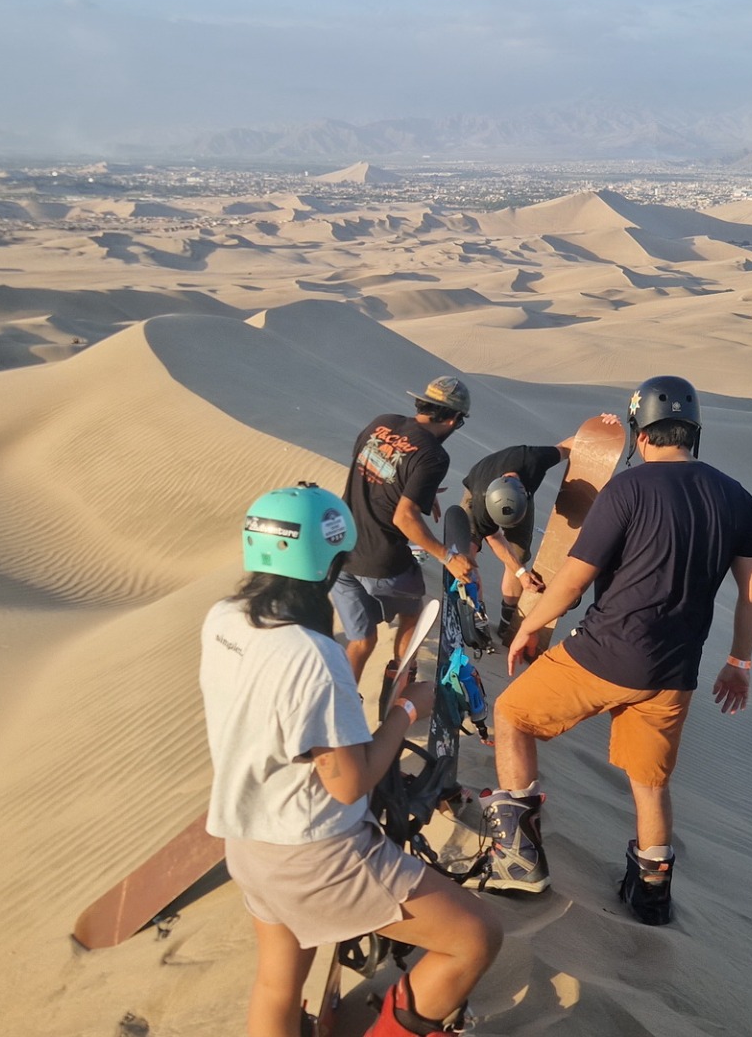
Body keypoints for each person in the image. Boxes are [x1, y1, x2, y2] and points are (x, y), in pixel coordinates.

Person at [201, 483, 501, 1037]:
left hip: (248, 844)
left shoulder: (225, 619)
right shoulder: (313, 656)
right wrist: (406, 710)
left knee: (277, 986)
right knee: (475, 937)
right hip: (315, 854)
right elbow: (348, 783)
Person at [478, 375, 752, 926]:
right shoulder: (738, 497)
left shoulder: (626, 490)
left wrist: (529, 626)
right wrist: (739, 662)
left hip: (605, 653)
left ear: (641, 434)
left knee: (512, 714)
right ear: (693, 432)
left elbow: (572, 582)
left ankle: (518, 859)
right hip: (673, 671)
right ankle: (651, 895)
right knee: (650, 782)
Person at [334, 376, 477, 682]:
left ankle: (341, 700)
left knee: (362, 640)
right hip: (382, 562)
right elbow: (404, 518)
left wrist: (416, 490)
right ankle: (399, 678)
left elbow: (368, 467)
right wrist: (448, 557)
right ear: (453, 419)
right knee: (414, 613)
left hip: (340, 552)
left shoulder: (381, 423)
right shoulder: (433, 456)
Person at [458, 417, 617, 647]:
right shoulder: (481, 504)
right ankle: (474, 612)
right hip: (480, 493)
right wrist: (521, 573)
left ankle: (507, 622)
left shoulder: (533, 459)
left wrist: (600, 432)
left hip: (515, 500)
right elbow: (494, 537)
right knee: (466, 558)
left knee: (518, 556)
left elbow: (568, 446)